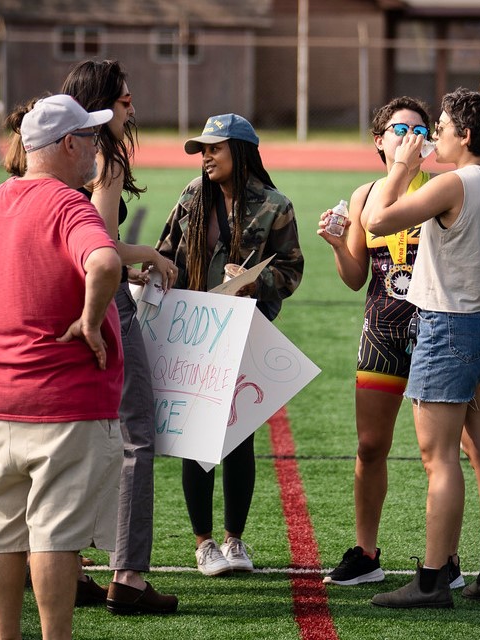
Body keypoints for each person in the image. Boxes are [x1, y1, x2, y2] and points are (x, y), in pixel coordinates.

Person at [365, 88, 480, 609]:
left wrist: (398, 165)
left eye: (439, 125)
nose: (431, 133)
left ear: (463, 136)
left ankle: (433, 578)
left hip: (448, 328)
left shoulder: (452, 183)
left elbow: (376, 220)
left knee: (439, 459)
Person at [0, 94, 124, 639]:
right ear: (67, 145)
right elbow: (104, 261)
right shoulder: (69, 204)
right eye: (90, 138)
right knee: (54, 538)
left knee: (0, 534)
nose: (96, 149)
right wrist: (90, 321)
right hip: (63, 401)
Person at [317, 97, 463, 589]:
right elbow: (357, 278)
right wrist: (339, 246)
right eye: (400, 129)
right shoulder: (364, 197)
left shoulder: (444, 188)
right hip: (381, 330)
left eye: (421, 130)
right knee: (370, 445)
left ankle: (446, 558)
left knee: (439, 453)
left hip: (435, 333)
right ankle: (366, 552)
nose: (411, 137)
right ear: (379, 141)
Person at [156, 113, 304, 577]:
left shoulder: (276, 205)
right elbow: (166, 253)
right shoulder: (190, 198)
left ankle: (234, 540)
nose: (206, 158)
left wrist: (254, 283)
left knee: (239, 437)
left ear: (240, 152)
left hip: (244, 329)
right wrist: (153, 273)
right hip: (194, 330)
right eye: (202, 150)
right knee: (197, 438)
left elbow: (292, 270)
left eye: (214, 149)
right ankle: (204, 544)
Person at [61, 59, 179, 615]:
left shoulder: (63, 155)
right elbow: (104, 241)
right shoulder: (104, 157)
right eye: (124, 99)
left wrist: (121, 268)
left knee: (79, 437)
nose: (133, 105)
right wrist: (150, 254)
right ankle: (128, 577)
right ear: (102, 105)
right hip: (105, 311)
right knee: (136, 439)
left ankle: (72, 565)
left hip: (66, 304)